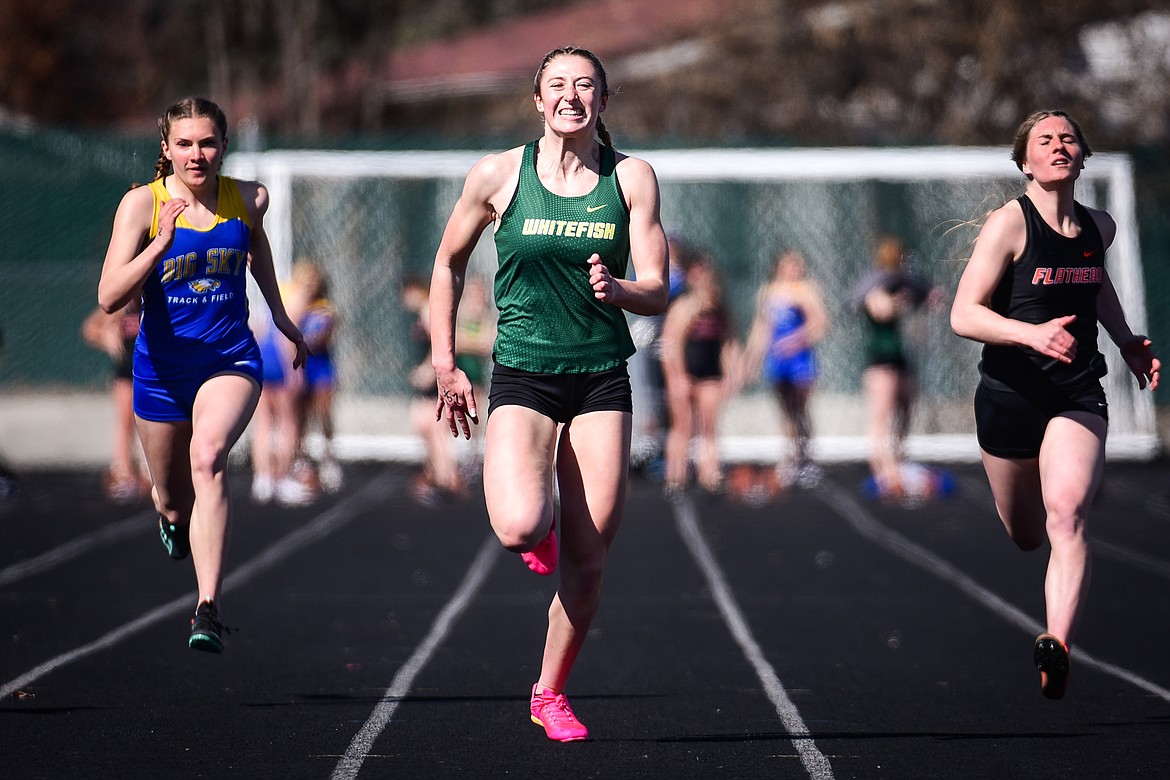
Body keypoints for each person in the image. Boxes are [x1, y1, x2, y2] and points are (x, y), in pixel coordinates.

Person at [428, 46, 668, 742]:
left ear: (602, 99)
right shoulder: (499, 174)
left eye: (585, 86)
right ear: (537, 99)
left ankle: (549, 692)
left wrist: (622, 290)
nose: (571, 96)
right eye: (557, 85)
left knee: (590, 566)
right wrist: (447, 362)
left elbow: (659, 285)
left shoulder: (632, 179)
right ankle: (544, 527)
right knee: (518, 527)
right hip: (526, 373)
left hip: (600, 377)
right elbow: (447, 264)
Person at [950, 109, 1159, 700]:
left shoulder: (1101, 226)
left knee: (1066, 513)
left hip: (1076, 392)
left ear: (1082, 155)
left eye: (1068, 138)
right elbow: (963, 314)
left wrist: (1126, 342)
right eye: (1045, 140)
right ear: (1026, 160)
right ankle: (1044, 573)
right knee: (1026, 533)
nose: (1058, 146)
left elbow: (1095, 284)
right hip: (1009, 397)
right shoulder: (1008, 226)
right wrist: (1030, 334)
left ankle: (1057, 643)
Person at [97, 96, 307, 653]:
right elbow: (110, 296)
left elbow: (256, 246)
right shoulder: (142, 206)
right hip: (161, 371)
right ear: (166, 150)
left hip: (229, 359)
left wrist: (282, 319)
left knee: (208, 456)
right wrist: (159, 246)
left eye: (208, 143)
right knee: (170, 495)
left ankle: (207, 606)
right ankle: (171, 516)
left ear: (223, 147)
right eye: (185, 144)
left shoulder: (249, 198)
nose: (197, 155)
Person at [851, 235, 941, 499]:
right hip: (880, 361)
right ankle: (882, 468)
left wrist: (924, 296)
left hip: (898, 358)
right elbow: (880, 311)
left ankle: (899, 457)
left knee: (906, 407)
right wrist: (901, 301)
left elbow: (926, 299)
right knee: (880, 416)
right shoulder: (875, 287)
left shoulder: (903, 286)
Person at [744, 248, 829, 488]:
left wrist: (796, 340)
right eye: (789, 265)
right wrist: (751, 358)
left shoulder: (806, 290)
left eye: (797, 265)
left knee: (801, 407)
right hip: (778, 359)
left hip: (800, 359)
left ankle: (805, 455)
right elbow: (761, 328)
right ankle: (791, 455)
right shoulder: (769, 292)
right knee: (786, 409)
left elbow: (820, 323)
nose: (794, 269)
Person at [660, 252, 739, 495]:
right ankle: (676, 475)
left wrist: (730, 374)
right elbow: (670, 345)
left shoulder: (720, 309)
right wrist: (677, 377)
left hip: (710, 374)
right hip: (686, 373)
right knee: (682, 427)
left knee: (709, 427)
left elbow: (728, 342)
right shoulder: (684, 308)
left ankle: (710, 473)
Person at [81, 301, 150, 503]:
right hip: (126, 372)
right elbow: (90, 329)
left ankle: (149, 473)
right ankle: (124, 474)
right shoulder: (120, 307)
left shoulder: (155, 303)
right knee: (125, 422)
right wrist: (107, 339)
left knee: (149, 423)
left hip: (152, 372)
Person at [402, 275, 461, 504]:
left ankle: (446, 478)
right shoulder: (421, 313)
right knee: (424, 426)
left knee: (436, 430)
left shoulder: (428, 310)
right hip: (429, 380)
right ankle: (438, 474)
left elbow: (441, 343)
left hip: (435, 380)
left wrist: (429, 369)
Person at [291, 258, 344, 494]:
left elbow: (323, 336)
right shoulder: (294, 306)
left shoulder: (325, 308)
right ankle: (300, 458)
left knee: (323, 411)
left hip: (320, 365)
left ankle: (328, 456)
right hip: (301, 365)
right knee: (299, 415)